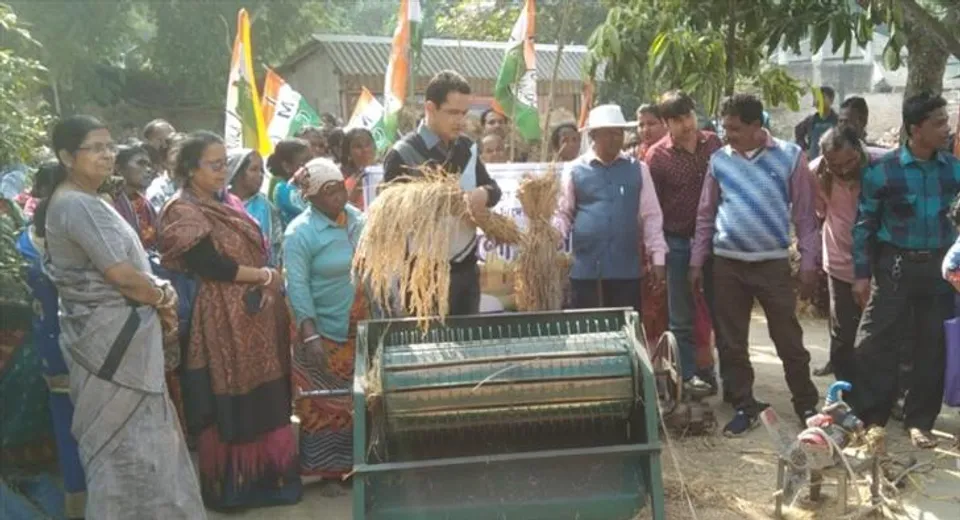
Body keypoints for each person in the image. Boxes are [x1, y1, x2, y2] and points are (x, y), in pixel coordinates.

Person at [38, 115, 204, 518]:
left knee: (143, 444)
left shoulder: (87, 199)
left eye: (109, 146)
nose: (107, 155)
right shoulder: (77, 204)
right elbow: (123, 277)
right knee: (125, 447)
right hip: (112, 344)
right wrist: (161, 295)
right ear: (65, 156)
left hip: (113, 340)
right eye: (94, 148)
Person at [158, 131, 301, 509]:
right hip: (221, 317)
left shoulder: (228, 202)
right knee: (229, 397)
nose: (223, 171)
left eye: (224, 163)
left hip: (255, 317)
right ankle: (235, 487)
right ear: (190, 169)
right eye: (215, 164)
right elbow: (211, 265)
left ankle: (272, 480)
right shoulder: (182, 210)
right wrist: (265, 277)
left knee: (268, 395)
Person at [690, 94, 820, 436]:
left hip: (772, 264)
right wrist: (696, 261)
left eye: (733, 127)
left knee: (788, 338)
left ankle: (806, 403)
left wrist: (809, 262)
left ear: (754, 126)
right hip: (728, 265)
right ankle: (745, 406)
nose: (726, 133)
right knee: (732, 343)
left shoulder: (791, 157)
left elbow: (805, 216)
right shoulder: (719, 161)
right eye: (724, 126)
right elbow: (706, 215)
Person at [851, 92, 960, 449]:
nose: (947, 128)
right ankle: (872, 419)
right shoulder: (883, 171)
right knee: (874, 345)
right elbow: (864, 224)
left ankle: (919, 421)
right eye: (939, 122)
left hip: (939, 272)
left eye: (947, 120)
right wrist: (862, 274)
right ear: (916, 129)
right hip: (894, 268)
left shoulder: (953, 171)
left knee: (932, 347)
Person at [383, 70, 502, 316]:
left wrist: (484, 194)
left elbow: (494, 188)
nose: (460, 121)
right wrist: (437, 203)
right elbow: (391, 219)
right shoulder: (402, 154)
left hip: (466, 271)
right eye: (452, 113)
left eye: (464, 113)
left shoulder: (466, 148)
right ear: (430, 108)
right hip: (422, 277)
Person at [283, 158, 366, 480]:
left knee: (357, 401)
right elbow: (297, 286)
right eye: (327, 191)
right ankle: (327, 470)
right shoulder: (300, 233)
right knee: (323, 407)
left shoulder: (358, 220)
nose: (337, 196)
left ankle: (355, 467)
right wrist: (310, 334)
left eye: (339, 188)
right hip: (323, 332)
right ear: (312, 198)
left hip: (357, 329)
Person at [646, 91, 723, 395]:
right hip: (676, 243)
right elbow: (651, 209)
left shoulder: (715, 145)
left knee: (721, 312)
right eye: (677, 120)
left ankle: (719, 375)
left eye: (688, 115)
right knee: (681, 316)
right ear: (666, 123)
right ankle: (689, 378)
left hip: (717, 242)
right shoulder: (656, 157)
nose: (686, 124)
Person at [553, 104, 667, 310]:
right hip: (586, 271)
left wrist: (658, 257)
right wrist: (552, 239)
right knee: (588, 334)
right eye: (608, 134)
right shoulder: (574, 170)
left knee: (625, 331)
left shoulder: (638, 169)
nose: (615, 139)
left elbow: (651, 216)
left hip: (626, 272)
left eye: (619, 133)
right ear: (594, 136)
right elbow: (563, 212)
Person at [810, 127, 888, 382]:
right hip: (840, 262)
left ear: (860, 148)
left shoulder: (885, 165)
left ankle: (885, 393)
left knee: (883, 332)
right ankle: (845, 393)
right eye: (835, 165)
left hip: (880, 264)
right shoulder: (817, 173)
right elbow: (817, 215)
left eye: (849, 162)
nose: (843, 170)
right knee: (843, 331)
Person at [228, 148, 283, 267]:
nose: (260, 175)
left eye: (262, 170)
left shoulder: (265, 207)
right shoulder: (221, 203)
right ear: (236, 172)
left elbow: (275, 247)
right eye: (253, 169)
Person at [112, 142, 159, 251]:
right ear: (118, 169)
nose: (148, 170)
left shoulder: (145, 204)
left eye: (149, 165)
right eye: (141, 163)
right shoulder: (110, 203)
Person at [268, 138, 312, 225]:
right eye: (303, 163)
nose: (310, 166)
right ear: (287, 167)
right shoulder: (283, 189)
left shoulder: (305, 185)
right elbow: (310, 211)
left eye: (312, 161)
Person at [794, 86, 838, 159]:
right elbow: (798, 132)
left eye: (822, 98)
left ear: (831, 100)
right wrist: (805, 149)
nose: (818, 101)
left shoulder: (838, 120)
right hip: (813, 161)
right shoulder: (810, 121)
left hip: (834, 162)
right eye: (816, 98)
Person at [146, 131, 185, 211]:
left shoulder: (203, 185)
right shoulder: (158, 189)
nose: (183, 157)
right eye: (176, 152)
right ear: (164, 161)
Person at [340, 127, 377, 210]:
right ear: (349, 153)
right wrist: (357, 189)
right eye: (358, 146)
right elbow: (344, 213)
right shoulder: (346, 186)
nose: (365, 149)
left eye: (368, 144)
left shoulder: (389, 173)